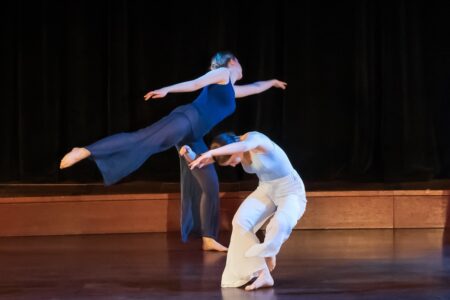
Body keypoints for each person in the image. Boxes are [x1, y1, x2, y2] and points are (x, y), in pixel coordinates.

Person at [59, 51, 287, 252]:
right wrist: (166, 89)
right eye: (238, 62)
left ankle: (208, 237)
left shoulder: (231, 90)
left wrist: (272, 81)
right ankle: (86, 150)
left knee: (210, 183)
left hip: (194, 135)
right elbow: (196, 84)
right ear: (233, 62)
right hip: (186, 120)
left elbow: (256, 87)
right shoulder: (223, 74)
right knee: (143, 139)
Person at [186, 131, 307, 290]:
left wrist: (211, 152)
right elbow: (203, 160)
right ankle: (263, 273)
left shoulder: (255, 139)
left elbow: (244, 145)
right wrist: (191, 155)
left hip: (291, 191)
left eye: (230, 160)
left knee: (281, 221)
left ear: (233, 149)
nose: (232, 165)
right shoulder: (231, 147)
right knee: (240, 221)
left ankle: (269, 250)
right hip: (266, 189)